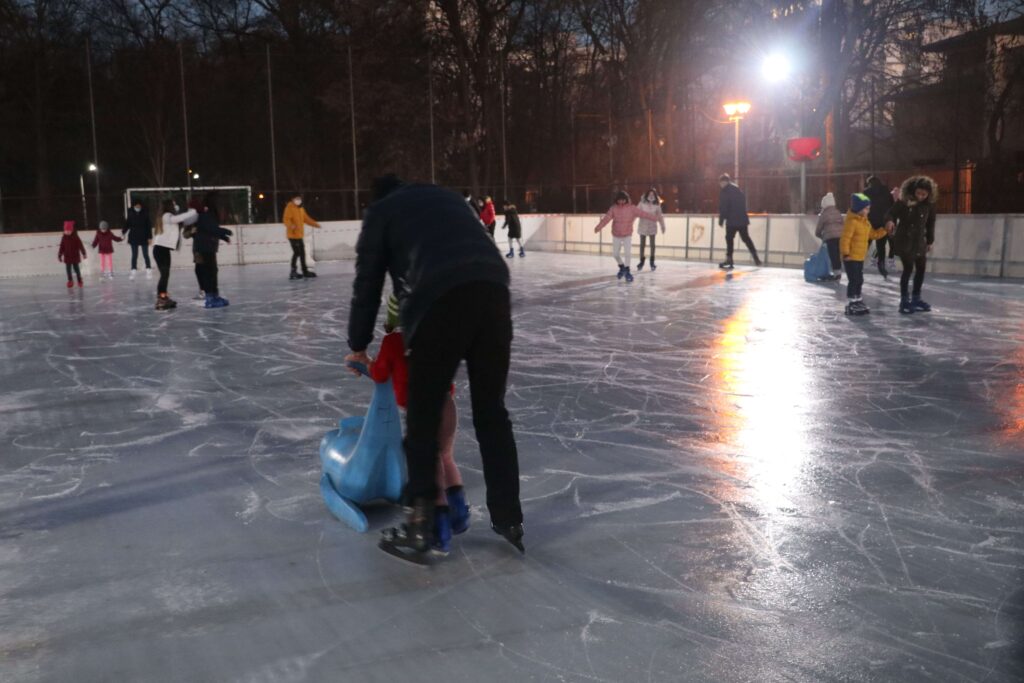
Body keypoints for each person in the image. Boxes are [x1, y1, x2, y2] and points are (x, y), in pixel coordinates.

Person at [344, 175, 524, 565]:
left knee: (423, 420)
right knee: (492, 412)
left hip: (439, 299)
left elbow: (367, 283)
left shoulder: (382, 212)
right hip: (493, 289)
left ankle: (424, 525)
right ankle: (509, 516)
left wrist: (357, 344)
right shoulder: (449, 197)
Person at [370, 294, 468, 555]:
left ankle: (441, 532)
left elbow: (380, 373)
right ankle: (459, 516)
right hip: (447, 404)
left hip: (423, 410)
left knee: (430, 464)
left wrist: (366, 363)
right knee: (446, 457)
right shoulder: (436, 336)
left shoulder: (393, 341)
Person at [886, 176, 937, 315]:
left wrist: (930, 241)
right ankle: (904, 300)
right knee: (908, 269)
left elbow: (931, 223)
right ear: (914, 190)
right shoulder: (904, 201)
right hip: (905, 240)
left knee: (921, 269)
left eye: (924, 194)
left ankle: (916, 298)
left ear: (929, 194)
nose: (920, 196)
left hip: (919, 241)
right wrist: (890, 221)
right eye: (918, 193)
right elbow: (891, 213)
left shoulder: (929, 205)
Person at [593, 191, 659, 283]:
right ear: (617, 200)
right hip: (616, 234)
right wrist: (599, 227)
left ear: (626, 200)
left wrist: (654, 217)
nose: (621, 202)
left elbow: (643, 214)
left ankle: (627, 270)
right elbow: (606, 219)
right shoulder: (613, 208)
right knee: (615, 254)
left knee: (627, 253)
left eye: (623, 200)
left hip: (627, 234)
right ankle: (622, 267)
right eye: (619, 200)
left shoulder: (632, 208)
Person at [840, 193, 888, 316]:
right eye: (866, 208)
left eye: (869, 208)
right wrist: (845, 254)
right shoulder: (852, 222)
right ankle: (852, 301)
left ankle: (858, 299)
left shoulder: (865, 222)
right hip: (850, 257)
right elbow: (845, 239)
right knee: (854, 279)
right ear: (859, 208)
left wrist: (885, 230)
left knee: (859, 280)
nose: (868, 211)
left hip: (860, 257)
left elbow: (873, 235)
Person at [153, 199, 198, 311]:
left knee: (165, 274)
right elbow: (179, 218)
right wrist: (193, 211)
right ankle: (161, 299)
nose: (176, 206)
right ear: (169, 206)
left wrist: (195, 214)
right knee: (164, 274)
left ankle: (164, 297)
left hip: (163, 249)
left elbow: (183, 220)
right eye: (174, 204)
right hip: (160, 249)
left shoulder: (169, 216)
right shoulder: (166, 216)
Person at [192, 192, 233, 309]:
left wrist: (224, 237)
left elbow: (212, 229)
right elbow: (210, 228)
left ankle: (214, 295)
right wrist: (225, 232)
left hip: (209, 246)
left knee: (213, 271)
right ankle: (210, 297)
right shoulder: (205, 213)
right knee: (209, 272)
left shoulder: (210, 213)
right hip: (204, 246)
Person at [717, 173, 761, 269]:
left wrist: (721, 219)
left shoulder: (724, 191)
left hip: (732, 220)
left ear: (724, 182)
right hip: (742, 219)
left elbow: (724, 206)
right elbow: (743, 202)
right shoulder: (737, 189)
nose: (720, 185)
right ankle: (755, 256)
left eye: (720, 183)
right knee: (746, 238)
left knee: (729, 238)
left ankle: (729, 259)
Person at [283, 193, 321, 280]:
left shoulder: (301, 209)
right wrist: (291, 226)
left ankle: (304, 271)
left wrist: (315, 224)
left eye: (299, 198)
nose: (298, 200)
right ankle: (293, 271)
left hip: (299, 235)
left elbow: (306, 219)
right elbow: (286, 219)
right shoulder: (289, 208)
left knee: (302, 253)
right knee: (297, 252)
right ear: (292, 199)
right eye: (296, 198)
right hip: (292, 235)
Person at [864, 175, 896, 278]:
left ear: (869, 183)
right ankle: (881, 266)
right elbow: (892, 207)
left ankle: (858, 264)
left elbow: (861, 208)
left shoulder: (866, 193)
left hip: (869, 223)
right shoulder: (886, 192)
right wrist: (890, 220)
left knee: (865, 244)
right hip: (883, 222)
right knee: (881, 246)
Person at [815, 192, 845, 281]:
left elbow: (819, 227)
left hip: (830, 237)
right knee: (837, 254)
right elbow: (842, 223)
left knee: (833, 255)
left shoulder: (824, 214)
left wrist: (819, 235)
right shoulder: (837, 212)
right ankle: (838, 272)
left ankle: (836, 273)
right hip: (840, 236)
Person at [635, 188, 666, 271]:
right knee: (642, 244)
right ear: (647, 195)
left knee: (652, 245)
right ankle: (641, 261)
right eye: (650, 194)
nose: (651, 196)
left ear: (655, 195)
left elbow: (660, 216)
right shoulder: (642, 203)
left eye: (653, 194)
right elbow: (636, 212)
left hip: (652, 226)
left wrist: (662, 226)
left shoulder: (657, 205)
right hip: (643, 226)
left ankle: (652, 262)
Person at [123, 200, 153, 279]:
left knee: (145, 254)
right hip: (133, 237)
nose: (138, 208)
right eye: (136, 206)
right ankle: (133, 269)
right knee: (134, 254)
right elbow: (127, 224)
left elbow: (148, 226)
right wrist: (123, 232)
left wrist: (150, 237)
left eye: (139, 206)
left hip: (144, 236)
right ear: (134, 206)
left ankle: (148, 269)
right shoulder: (130, 213)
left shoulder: (145, 213)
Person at [57, 220, 87, 288]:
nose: (67, 232)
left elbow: (80, 245)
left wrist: (84, 253)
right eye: (66, 230)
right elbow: (62, 247)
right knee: (68, 269)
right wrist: (59, 255)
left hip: (75, 256)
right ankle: (70, 280)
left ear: (72, 230)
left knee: (76, 269)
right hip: (67, 256)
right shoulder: (64, 238)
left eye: (69, 230)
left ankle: (79, 280)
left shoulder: (76, 237)